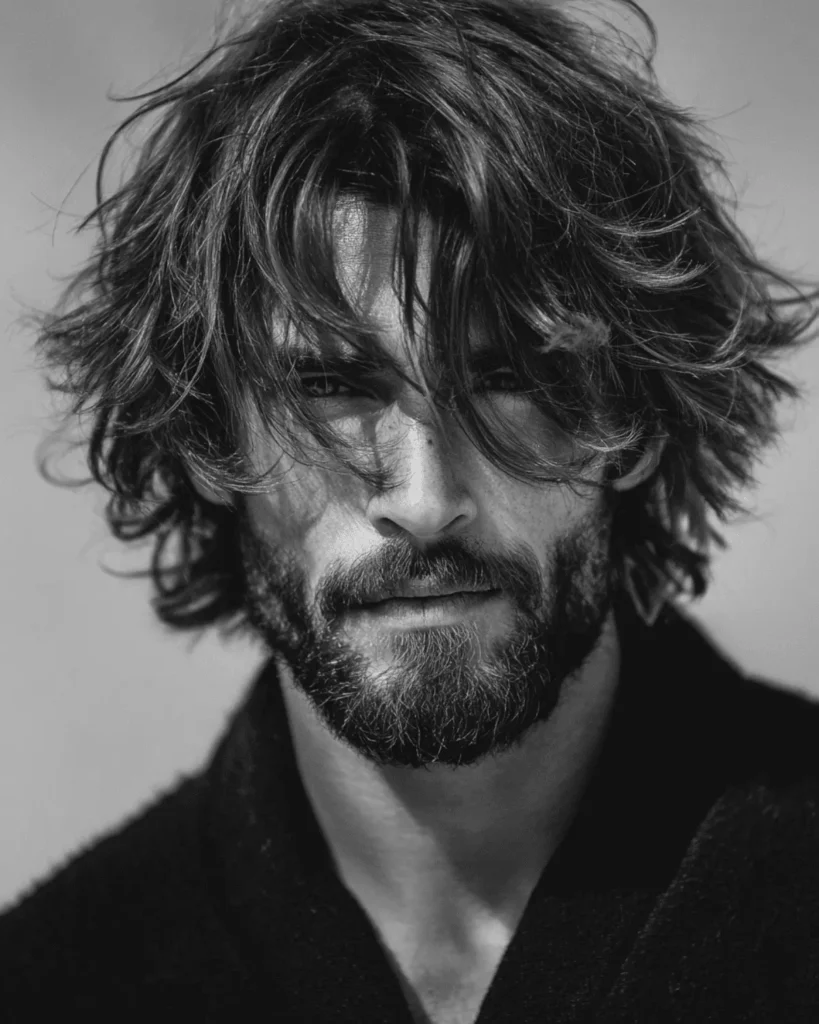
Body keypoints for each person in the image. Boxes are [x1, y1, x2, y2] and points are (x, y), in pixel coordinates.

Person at [2, 0, 818, 1020]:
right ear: (206, 436)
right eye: (331, 386)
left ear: (636, 417)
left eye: (511, 376)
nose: (427, 502)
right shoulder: (54, 986)